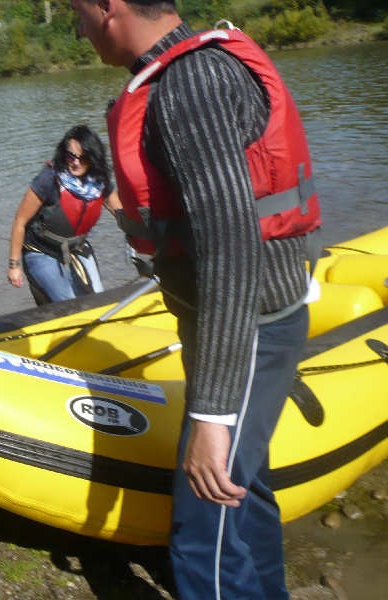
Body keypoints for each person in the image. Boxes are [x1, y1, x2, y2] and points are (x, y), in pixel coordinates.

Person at [68, 1, 322, 598]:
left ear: (111, 7)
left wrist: (211, 412)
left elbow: (233, 245)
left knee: (202, 522)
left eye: (77, 13)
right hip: (243, 318)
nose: (78, 29)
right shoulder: (181, 74)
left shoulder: (191, 82)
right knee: (244, 484)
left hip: (247, 324)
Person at [7, 125, 122, 305]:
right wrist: (14, 266)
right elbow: (20, 222)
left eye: (83, 157)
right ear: (64, 153)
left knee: (99, 301)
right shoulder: (48, 180)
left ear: (93, 158)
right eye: (71, 156)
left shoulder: (100, 181)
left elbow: (121, 214)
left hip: (77, 249)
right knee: (67, 304)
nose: (76, 162)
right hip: (42, 251)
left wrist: (143, 240)